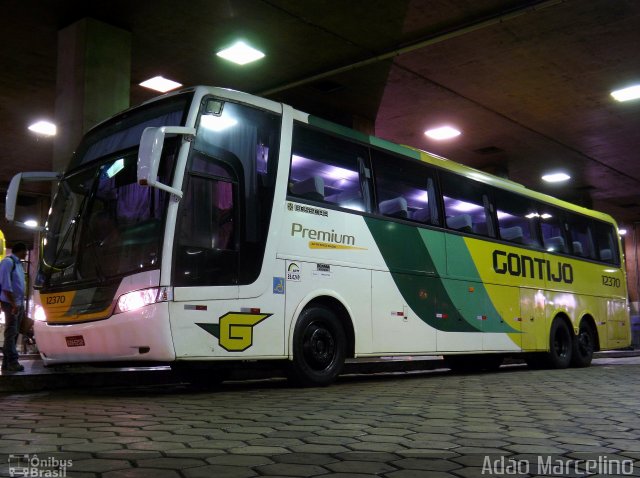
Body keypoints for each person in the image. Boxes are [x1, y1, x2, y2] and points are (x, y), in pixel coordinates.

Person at [1, 242, 27, 372]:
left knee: (14, 333)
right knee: (11, 333)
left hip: (18, 303)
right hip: (11, 304)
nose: (26, 253)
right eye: (25, 251)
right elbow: (6, 286)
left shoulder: (18, 264)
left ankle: (6, 363)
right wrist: (13, 304)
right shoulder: (8, 262)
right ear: (20, 251)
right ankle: (12, 361)